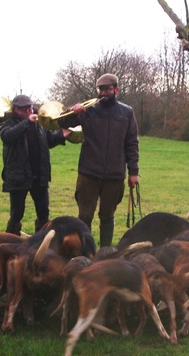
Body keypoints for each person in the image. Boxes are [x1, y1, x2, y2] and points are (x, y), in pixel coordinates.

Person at [60, 73, 140, 247]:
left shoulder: (127, 113)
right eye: (100, 89)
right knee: (85, 216)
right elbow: (60, 123)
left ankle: (105, 252)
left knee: (107, 216)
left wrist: (133, 172)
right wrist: (70, 111)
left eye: (107, 89)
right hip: (89, 173)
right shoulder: (87, 110)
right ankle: (84, 252)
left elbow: (132, 143)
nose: (103, 93)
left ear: (116, 90)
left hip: (115, 175)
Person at [0, 94, 71, 235]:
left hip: (39, 175)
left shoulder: (40, 122)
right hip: (19, 176)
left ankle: (41, 241)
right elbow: (8, 137)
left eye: (30, 108)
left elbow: (48, 141)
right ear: (15, 110)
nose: (28, 112)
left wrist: (61, 136)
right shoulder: (7, 123)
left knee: (43, 212)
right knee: (17, 213)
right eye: (23, 109)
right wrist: (26, 123)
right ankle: (9, 241)